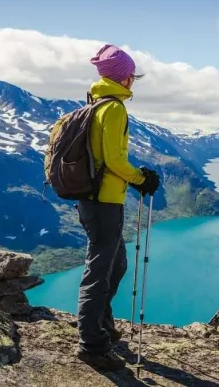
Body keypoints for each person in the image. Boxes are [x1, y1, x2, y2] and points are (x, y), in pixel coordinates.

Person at [76, 44, 159, 371]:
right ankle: (91, 344)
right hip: (104, 202)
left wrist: (133, 178)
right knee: (99, 271)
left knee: (116, 264)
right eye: (132, 76)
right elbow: (113, 159)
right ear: (124, 77)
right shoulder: (112, 109)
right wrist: (140, 178)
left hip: (94, 201)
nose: (133, 81)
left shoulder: (94, 104)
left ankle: (100, 322)